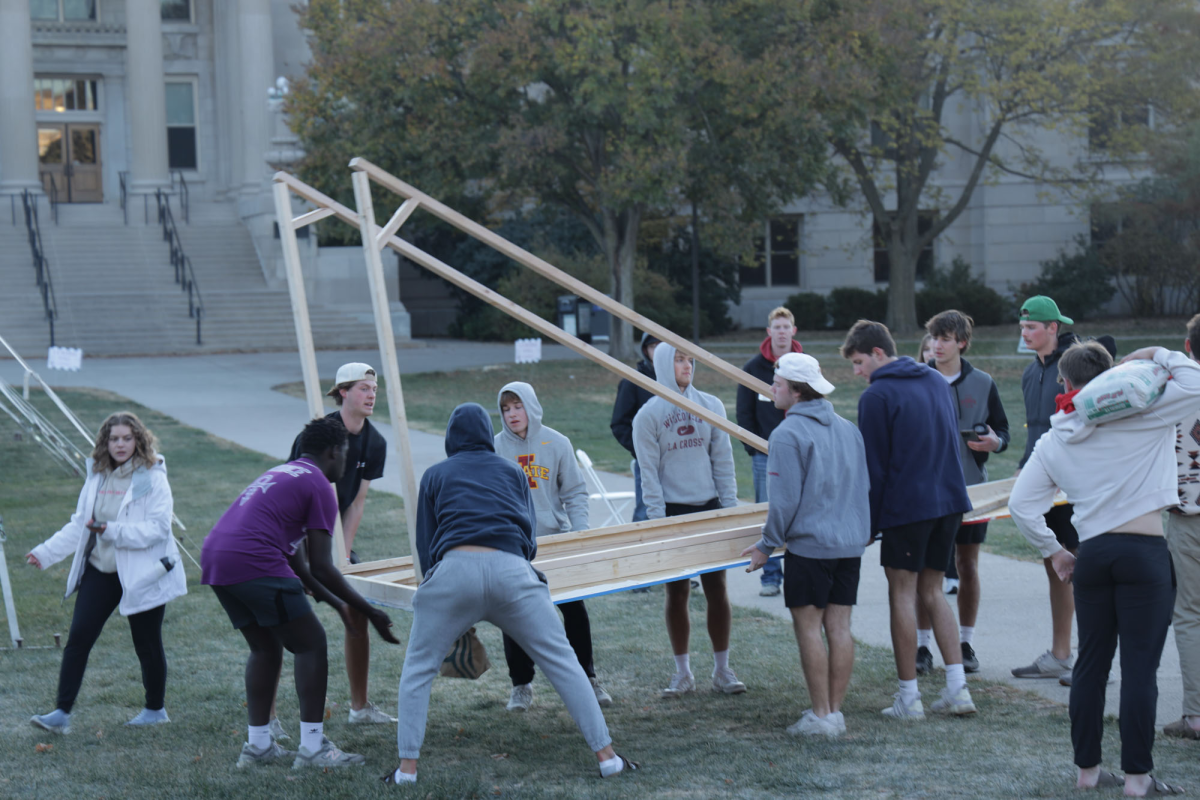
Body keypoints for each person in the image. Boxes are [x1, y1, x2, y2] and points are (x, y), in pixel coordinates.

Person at [390, 403, 636, 785]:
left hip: (454, 570)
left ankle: (407, 770)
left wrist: (442, 601)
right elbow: (528, 538)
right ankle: (607, 756)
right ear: (488, 435)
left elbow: (426, 547)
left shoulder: (436, 474)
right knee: (564, 663)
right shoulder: (511, 470)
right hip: (511, 568)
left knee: (417, 670)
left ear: (450, 439)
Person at [1009, 340, 1200, 796]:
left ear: (1065, 383)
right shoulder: (1145, 413)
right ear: (1113, 378)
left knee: (1091, 665)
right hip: (1145, 552)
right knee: (1140, 670)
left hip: (1091, 556)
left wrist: (1054, 550)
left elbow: (1021, 505)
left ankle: (1088, 773)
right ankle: (1137, 779)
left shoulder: (1055, 436)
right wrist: (1157, 351)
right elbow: (1195, 381)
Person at [202, 416, 400, 769]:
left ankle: (258, 746)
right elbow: (323, 564)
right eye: (345, 455)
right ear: (332, 452)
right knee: (311, 643)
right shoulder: (320, 484)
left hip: (217, 560)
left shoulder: (283, 473)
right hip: (253, 561)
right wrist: (369, 612)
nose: (346, 463)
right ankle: (313, 749)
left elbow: (298, 559)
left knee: (265, 647)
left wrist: (336, 603)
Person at [840, 320, 975, 719]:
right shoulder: (936, 380)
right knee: (932, 592)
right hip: (948, 503)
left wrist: (868, 525)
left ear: (879, 353)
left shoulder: (877, 396)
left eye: (860, 362)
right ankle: (958, 689)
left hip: (907, 508)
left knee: (901, 593)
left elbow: (875, 469)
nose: (857, 371)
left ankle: (908, 697)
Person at [27, 412, 187, 735]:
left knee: (147, 643)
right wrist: (45, 553)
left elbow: (157, 529)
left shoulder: (152, 477)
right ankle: (61, 713)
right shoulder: (97, 476)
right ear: (105, 442)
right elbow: (80, 525)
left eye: (128, 438)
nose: (121, 444)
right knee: (79, 638)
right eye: (114, 439)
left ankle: (155, 709)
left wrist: (111, 530)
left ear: (139, 440)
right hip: (101, 569)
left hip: (143, 573)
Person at [739, 353, 870, 737]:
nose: (772, 388)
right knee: (840, 627)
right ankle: (833, 712)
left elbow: (783, 502)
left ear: (796, 392)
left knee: (809, 628)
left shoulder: (786, 435)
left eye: (777, 383)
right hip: (849, 545)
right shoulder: (849, 428)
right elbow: (864, 487)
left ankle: (820, 714)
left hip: (811, 548)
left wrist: (766, 545)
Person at [633, 343, 745, 698]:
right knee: (677, 591)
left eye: (690, 359)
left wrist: (728, 510)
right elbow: (647, 475)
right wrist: (657, 521)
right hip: (673, 512)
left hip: (709, 507)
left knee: (717, 589)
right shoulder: (647, 416)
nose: (687, 365)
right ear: (665, 363)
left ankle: (722, 669)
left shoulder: (711, 406)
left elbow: (724, 463)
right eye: (679, 359)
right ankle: (682, 673)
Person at [284, 362, 393, 727]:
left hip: (332, 537)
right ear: (343, 392)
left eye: (374, 389)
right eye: (363, 388)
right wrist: (304, 557)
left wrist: (343, 554)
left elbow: (357, 503)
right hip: (296, 536)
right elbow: (292, 492)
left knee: (356, 611)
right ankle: (266, 720)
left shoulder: (375, 442)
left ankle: (359, 708)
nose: (371, 394)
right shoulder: (317, 436)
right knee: (281, 619)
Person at [494, 382, 613, 711]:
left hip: (556, 541)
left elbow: (575, 492)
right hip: (514, 546)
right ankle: (521, 685)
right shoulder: (495, 448)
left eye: (517, 406)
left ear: (531, 406)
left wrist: (580, 534)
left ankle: (588, 678)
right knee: (513, 614)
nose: (512, 414)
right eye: (506, 409)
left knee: (573, 609)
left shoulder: (557, 443)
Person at [914, 311, 1009, 677]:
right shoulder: (918, 380)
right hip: (926, 493)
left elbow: (1002, 431)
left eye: (945, 338)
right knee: (927, 572)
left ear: (962, 343)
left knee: (967, 567)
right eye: (934, 338)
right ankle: (922, 646)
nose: (937, 345)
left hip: (971, 491)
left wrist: (995, 442)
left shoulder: (983, 382)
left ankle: (965, 643)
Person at [1011, 296, 1081, 681]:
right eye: (1022, 328)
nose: (1026, 334)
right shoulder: (1029, 372)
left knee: (1082, 565)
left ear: (1053, 327)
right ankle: (1060, 653)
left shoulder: (1075, 363)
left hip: (1074, 483)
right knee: (1056, 563)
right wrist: (1025, 464)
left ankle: (1094, 659)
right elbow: (1034, 427)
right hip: (1042, 479)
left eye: (1032, 327)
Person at [735, 307, 804, 597]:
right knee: (768, 512)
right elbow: (744, 413)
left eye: (786, 326)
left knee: (800, 511)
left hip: (801, 452)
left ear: (793, 331)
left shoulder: (804, 365)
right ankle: (771, 577)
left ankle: (799, 574)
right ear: (769, 332)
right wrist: (755, 448)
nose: (781, 331)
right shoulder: (753, 369)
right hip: (766, 454)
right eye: (776, 327)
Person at [1163, 313, 1200, 739]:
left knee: (1190, 615)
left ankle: (1195, 714)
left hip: (1188, 520)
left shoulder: (1175, 396)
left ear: (1188, 350)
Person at [610, 332, 661, 523]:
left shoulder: (677, 380)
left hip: (677, 460)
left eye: (662, 346)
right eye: (653, 346)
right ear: (645, 350)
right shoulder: (633, 381)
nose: (658, 351)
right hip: (648, 461)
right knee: (645, 513)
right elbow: (619, 423)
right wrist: (641, 449)